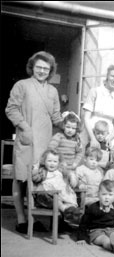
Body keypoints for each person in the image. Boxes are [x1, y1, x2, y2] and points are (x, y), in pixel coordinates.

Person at [5, 51, 63, 233]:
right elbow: (11, 109)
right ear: (32, 67)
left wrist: (69, 123)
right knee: (21, 177)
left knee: (39, 179)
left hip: (45, 140)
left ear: (50, 71)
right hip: (26, 138)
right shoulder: (21, 85)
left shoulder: (53, 90)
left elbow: (55, 116)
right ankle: (22, 219)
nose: (42, 71)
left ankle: (34, 217)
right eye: (38, 67)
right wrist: (24, 127)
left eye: (46, 68)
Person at [76, 180, 114, 254]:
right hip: (96, 232)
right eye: (104, 194)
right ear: (98, 194)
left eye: (110, 195)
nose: (107, 197)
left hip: (111, 230)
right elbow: (84, 223)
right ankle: (112, 247)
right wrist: (81, 238)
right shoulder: (93, 208)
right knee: (104, 240)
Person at [82, 65, 114, 149]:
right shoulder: (95, 91)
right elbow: (86, 118)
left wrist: (109, 138)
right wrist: (93, 138)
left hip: (108, 134)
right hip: (91, 131)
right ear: (107, 77)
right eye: (112, 76)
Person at [32, 149, 80, 224]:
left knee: (69, 197)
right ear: (44, 161)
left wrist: (72, 175)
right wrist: (36, 167)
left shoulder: (60, 170)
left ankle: (72, 213)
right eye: (49, 161)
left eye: (55, 161)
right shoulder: (43, 171)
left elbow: (69, 173)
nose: (52, 164)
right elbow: (35, 178)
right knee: (51, 197)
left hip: (62, 195)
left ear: (58, 163)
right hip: (48, 198)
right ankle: (65, 210)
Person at [48, 111, 84, 188]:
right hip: (59, 167)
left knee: (76, 178)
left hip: (71, 166)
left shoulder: (77, 139)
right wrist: (60, 161)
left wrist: (75, 163)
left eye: (73, 128)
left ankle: (74, 189)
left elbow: (79, 152)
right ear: (64, 126)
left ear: (76, 129)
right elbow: (51, 148)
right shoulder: (59, 136)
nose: (70, 130)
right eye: (68, 127)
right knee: (62, 179)